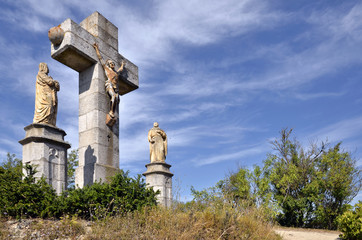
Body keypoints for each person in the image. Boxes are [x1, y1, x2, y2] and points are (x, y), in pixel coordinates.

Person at [93, 43, 125, 119]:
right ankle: (111, 111)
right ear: (108, 64)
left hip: (115, 87)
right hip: (109, 85)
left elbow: (120, 70)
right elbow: (100, 58)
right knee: (113, 96)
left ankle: (112, 111)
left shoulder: (116, 73)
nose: (112, 64)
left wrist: (122, 65)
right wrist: (96, 49)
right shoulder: (106, 69)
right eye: (111, 63)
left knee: (116, 100)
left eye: (113, 63)